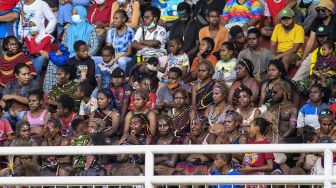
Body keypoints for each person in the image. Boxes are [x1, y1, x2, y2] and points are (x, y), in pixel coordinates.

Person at [301, 0, 336, 65]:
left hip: (334, 49)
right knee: (305, 64)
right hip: (321, 50)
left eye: (323, 10)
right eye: (318, 10)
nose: (320, 12)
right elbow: (311, 40)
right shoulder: (317, 20)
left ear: (329, 11)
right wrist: (303, 58)